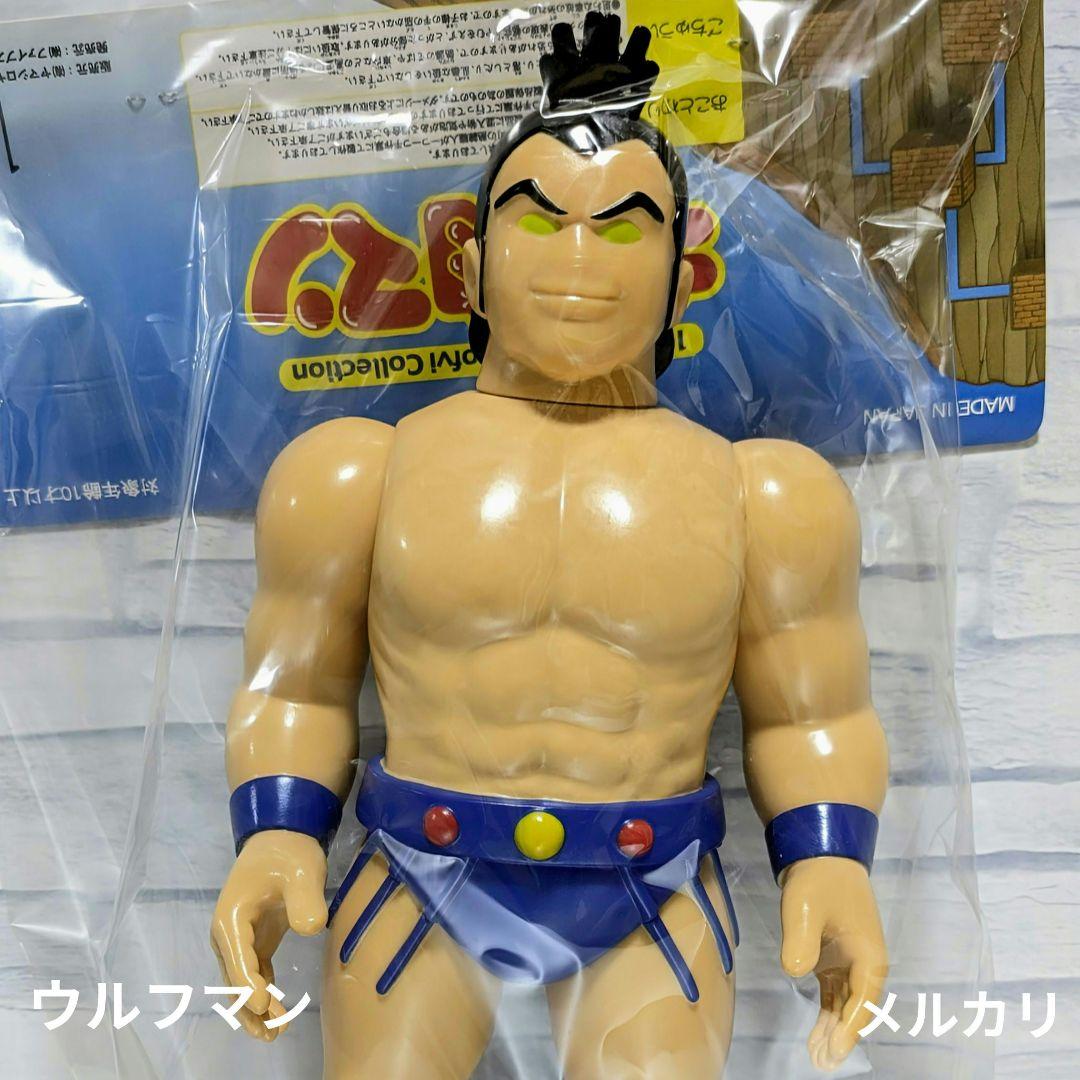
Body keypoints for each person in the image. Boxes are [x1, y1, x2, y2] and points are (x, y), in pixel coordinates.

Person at [212, 12, 888, 1076]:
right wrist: (277, 831)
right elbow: (295, 689)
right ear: (471, 265)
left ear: (682, 271)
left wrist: (831, 859)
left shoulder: (765, 495)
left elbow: (816, 714)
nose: (579, 258)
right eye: (539, 219)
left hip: (650, 885)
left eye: (623, 228)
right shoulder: (354, 476)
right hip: (419, 874)